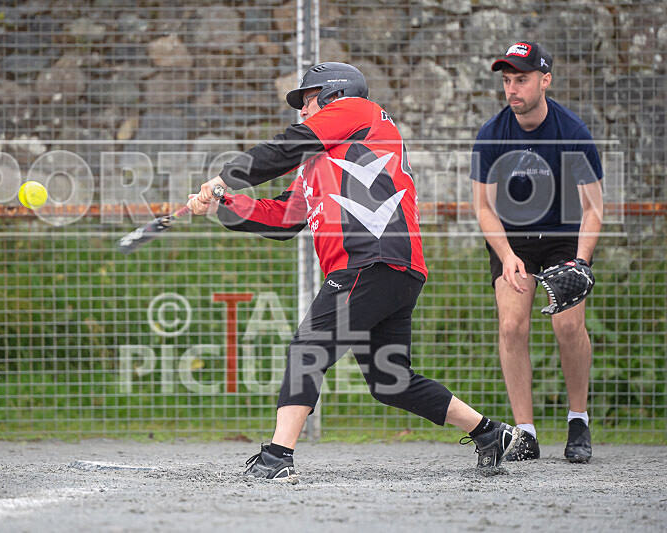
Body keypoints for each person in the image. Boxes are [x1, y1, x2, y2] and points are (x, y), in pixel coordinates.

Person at [187, 62, 521, 480]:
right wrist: (225, 203)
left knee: (308, 349)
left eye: (308, 101)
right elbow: (284, 220)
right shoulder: (321, 162)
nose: (303, 113)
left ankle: (277, 456)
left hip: (369, 259)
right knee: (390, 379)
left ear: (333, 95)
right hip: (391, 269)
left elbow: (286, 146)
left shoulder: (359, 111)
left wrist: (225, 175)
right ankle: (490, 433)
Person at [470, 42, 604, 462]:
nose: (512, 89)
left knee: (568, 327)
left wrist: (580, 263)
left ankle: (578, 420)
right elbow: (483, 207)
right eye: (507, 80)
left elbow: (594, 208)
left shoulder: (572, 132)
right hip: (514, 242)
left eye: (522, 79)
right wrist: (507, 255)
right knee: (512, 326)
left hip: (564, 237)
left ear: (545, 80)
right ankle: (525, 432)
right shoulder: (491, 135)